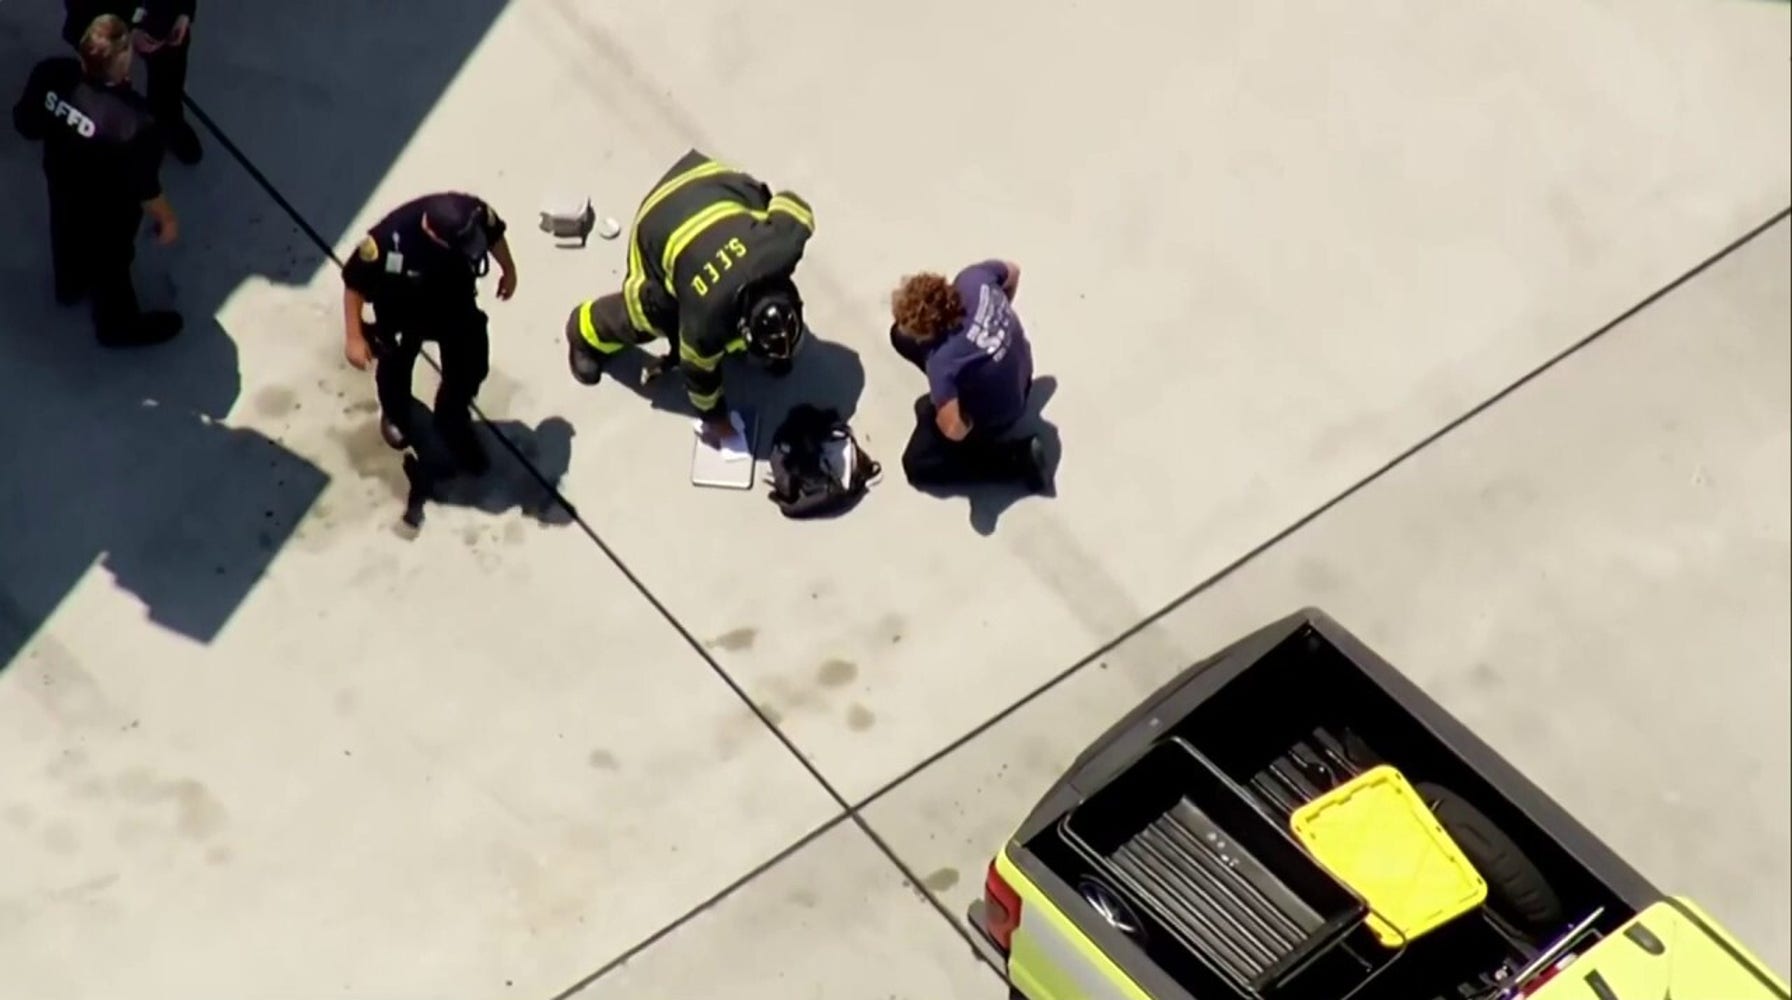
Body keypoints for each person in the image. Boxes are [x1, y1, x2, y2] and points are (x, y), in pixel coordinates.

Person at [564, 149, 815, 444]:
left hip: (713, 182)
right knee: (649, 314)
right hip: (658, 222)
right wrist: (716, 419)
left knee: (757, 199)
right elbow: (698, 376)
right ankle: (583, 330)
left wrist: (753, 224)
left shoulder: (783, 244)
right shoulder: (705, 321)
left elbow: (794, 206)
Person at [13, 14, 183, 347]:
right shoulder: (135, 123)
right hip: (109, 207)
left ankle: (70, 286)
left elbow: (26, 123)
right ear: (123, 63)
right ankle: (116, 325)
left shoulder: (52, 74)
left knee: (64, 232)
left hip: (62, 181)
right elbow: (145, 186)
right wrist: (166, 218)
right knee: (112, 261)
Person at [340, 192, 518, 475]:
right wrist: (354, 337)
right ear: (432, 234)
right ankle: (396, 413)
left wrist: (508, 269)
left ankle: (452, 421)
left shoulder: (474, 215)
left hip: (454, 302)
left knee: (471, 363)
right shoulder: (387, 242)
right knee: (395, 365)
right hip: (401, 311)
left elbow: (493, 234)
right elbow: (355, 283)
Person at [889, 260, 1048, 491]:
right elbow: (1012, 271)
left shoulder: (943, 363)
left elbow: (954, 430)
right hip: (1022, 373)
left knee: (917, 464)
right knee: (898, 336)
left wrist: (962, 418)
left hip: (1003, 413)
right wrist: (991, 327)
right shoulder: (974, 279)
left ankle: (1018, 459)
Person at [61, 0, 201, 164]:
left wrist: (184, 12)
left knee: (170, 66)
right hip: (103, 17)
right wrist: (127, 32)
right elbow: (83, 11)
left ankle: (167, 116)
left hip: (160, 15)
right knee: (103, 83)